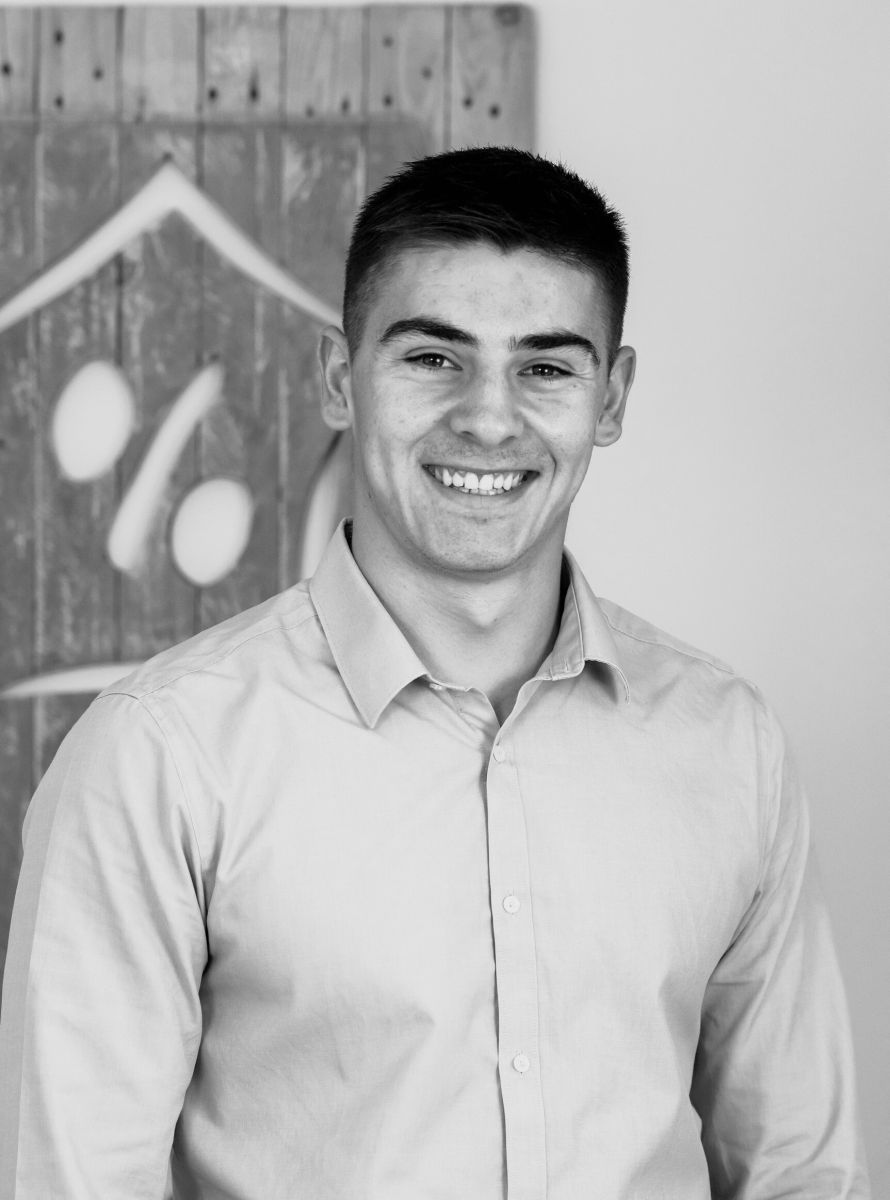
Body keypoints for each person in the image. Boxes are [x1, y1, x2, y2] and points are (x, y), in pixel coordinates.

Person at [0, 147, 870, 1199]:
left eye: (546, 368)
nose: (488, 419)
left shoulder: (729, 744)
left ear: (611, 396)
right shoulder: (159, 754)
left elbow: (799, 1170)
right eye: (431, 357)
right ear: (340, 378)